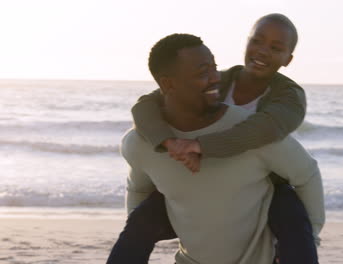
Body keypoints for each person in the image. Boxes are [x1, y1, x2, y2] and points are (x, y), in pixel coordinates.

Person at [107, 14, 324, 264]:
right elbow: (147, 105)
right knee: (141, 221)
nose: (263, 51)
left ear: (288, 59)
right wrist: (168, 142)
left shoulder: (289, 97)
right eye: (257, 41)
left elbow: (262, 129)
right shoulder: (218, 80)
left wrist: (201, 146)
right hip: (205, 187)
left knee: (294, 220)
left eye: (275, 48)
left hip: (268, 185)